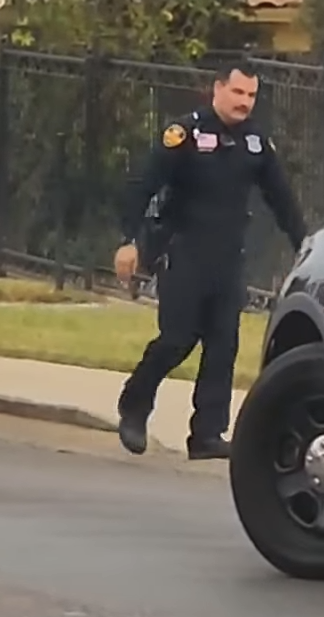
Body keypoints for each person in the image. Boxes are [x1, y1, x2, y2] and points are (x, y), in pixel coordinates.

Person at [114, 62, 306, 460]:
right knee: (176, 339)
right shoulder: (185, 134)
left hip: (227, 257)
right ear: (217, 89)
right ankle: (134, 405)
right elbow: (142, 185)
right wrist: (130, 241)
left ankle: (206, 434)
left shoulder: (255, 142)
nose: (244, 103)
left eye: (251, 96)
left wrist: (304, 242)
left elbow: (280, 198)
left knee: (223, 346)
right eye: (237, 93)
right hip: (183, 252)